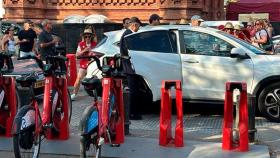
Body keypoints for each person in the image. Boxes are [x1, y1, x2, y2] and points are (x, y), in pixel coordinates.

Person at [120, 17, 142, 120]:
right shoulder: (128, 34)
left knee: (135, 91)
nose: (138, 29)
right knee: (133, 91)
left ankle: (134, 113)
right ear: (134, 25)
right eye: (138, 26)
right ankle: (132, 114)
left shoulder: (128, 33)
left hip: (131, 67)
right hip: (130, 67)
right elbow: (126, 50)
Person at [71, 26, 97, 100]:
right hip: (83, 64)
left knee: (94, 80)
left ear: (91, 36)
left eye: (89, 36)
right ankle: (74, 94)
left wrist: (93, 54)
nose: (87, 38)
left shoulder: (95, 44)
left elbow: (99, 55)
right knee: (78, 79)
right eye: (86, 36)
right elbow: (77, 55)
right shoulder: (81, 44)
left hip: (92, 64)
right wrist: (84, 50)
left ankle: (95, 95)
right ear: (84, 37)